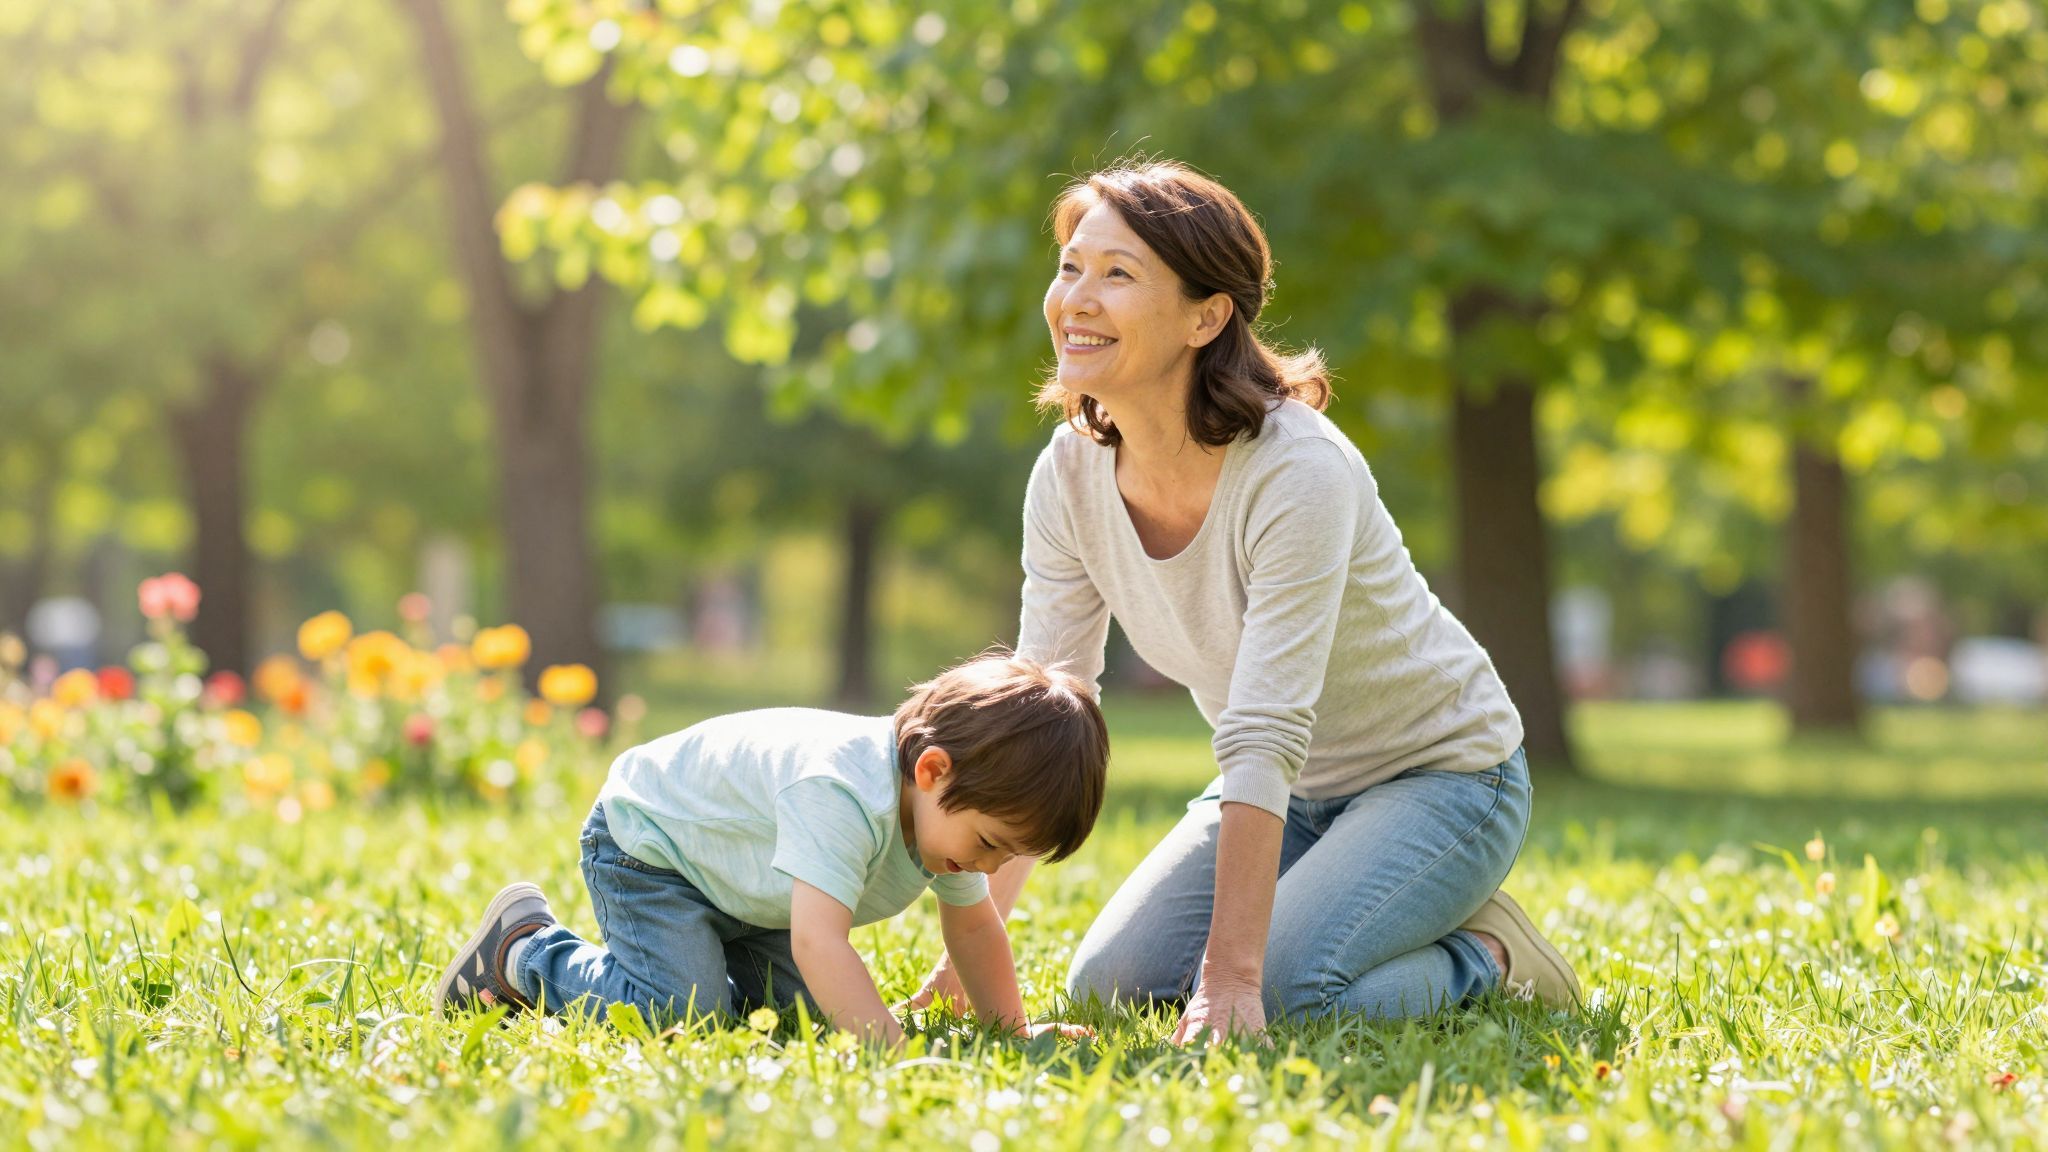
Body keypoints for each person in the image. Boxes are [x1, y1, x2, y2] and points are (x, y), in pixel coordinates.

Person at [904, 160, 1581, 1044]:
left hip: (1442, 777)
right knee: (1112, 987)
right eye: (1071, 266)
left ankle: (1488, 956)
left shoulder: (1298, 471)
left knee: (1288, 996)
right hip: (1284, 794)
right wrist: (969, 956)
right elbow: (1042, 719)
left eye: (1118, 275)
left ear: (1206, 315)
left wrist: (1230, 979)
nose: (1077, 297)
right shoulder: (1069, 472)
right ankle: (1360, 904)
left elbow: (1265, 725)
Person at [434, 652, 1107, 1046]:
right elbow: (820, 942)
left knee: (801, 1017)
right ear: (932, 770)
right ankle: (525, 950)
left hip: (746, 887)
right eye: (990, 844)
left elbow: (973, 923)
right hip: (654, 849)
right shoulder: (842, 793)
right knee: (682, 1013)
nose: (988, 866)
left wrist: (1011, 1028)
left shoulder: (944, 818)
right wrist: (890, 1051)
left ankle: (704, 954)